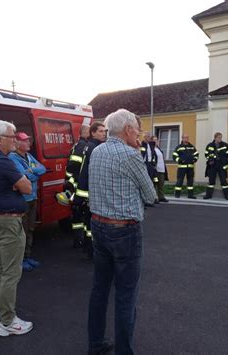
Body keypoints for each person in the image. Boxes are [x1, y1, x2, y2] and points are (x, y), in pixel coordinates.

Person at [87, 109, 156, 355]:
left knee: (100, 289)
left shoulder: (96, 150)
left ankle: (95, 344)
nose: (139, 133)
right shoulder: (131, 155)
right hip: (125, 231)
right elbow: (151, 195)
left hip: (98, 225)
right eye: (137, 129)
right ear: (128, 130)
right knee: (126, 295)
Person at [0, 120, 33, 337]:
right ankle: (8, 321)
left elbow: (20, 184)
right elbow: (28, 186)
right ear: (0, 138)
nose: (15, 139)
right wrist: (19, 183)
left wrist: (17, 183)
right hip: (9, 222)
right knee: (11, 272)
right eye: (12, 136)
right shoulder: (3, 161)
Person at [9, 132, 47, 271]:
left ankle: (27, 256)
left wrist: (31, 171)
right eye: (25, 141)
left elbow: (42, 168)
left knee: (30, 228)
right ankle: (20, 260)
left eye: (28, 140)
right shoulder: (12, 158)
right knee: (22, 231)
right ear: (17, 143)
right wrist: (32, 172)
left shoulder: (28, 156)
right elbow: (22, 175)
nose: (28, 143)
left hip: (32, 197)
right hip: (22, 199)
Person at [74, 122, 107, 259]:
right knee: (91, 225)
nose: (104, 134)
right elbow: (88, 173)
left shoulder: (92, 146)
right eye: (100, 131)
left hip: (87, 192)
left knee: (88, 225)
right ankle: (92, 251)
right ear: (92, 133)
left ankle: (90, 250)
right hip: (91, 192)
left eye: (105, 131)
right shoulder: (94, 148)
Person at [56, 124, 90, 248]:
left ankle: (78, 239)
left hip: (74, 184)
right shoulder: (82, 145)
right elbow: (73, 166)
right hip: (77, 185)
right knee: (79, 213)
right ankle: (79, 239)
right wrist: (75, 180)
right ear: (85, 132)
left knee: (77, 213)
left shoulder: (78, 145)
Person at [203, 132, 228, 200]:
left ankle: (227, 196)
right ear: (215, 138)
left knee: (223, 181)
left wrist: (223, 158)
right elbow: (206, 154)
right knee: (211, 181)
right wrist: (210, 159)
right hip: (213, 165)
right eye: (219, 137)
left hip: (221, 165)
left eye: (221, 137)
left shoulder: (225, 145)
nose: (220, 139)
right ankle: (208, 195)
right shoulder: (210, 145)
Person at [172, 134, 199, 199]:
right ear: (182, 138)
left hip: (190, 167)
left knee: (190, 181)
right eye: (185, 138)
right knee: (179, 181)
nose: (186, 139)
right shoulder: (179, 147)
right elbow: (174, 155)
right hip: (182, 167)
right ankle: (177, 194)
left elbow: (196, 154)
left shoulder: (192, 147)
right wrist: (180, 160)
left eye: (187, 138)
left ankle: (190, 195)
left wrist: (194, 159)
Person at [151, 136, 168, 203]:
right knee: (155, 183)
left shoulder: (159, 149)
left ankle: (161, 197)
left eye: (157, 140)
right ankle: (154, 198)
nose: (156, 141)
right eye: (154, 140)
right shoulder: (152, 149)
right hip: (156, 170)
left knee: (161, 184)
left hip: (162, 169)